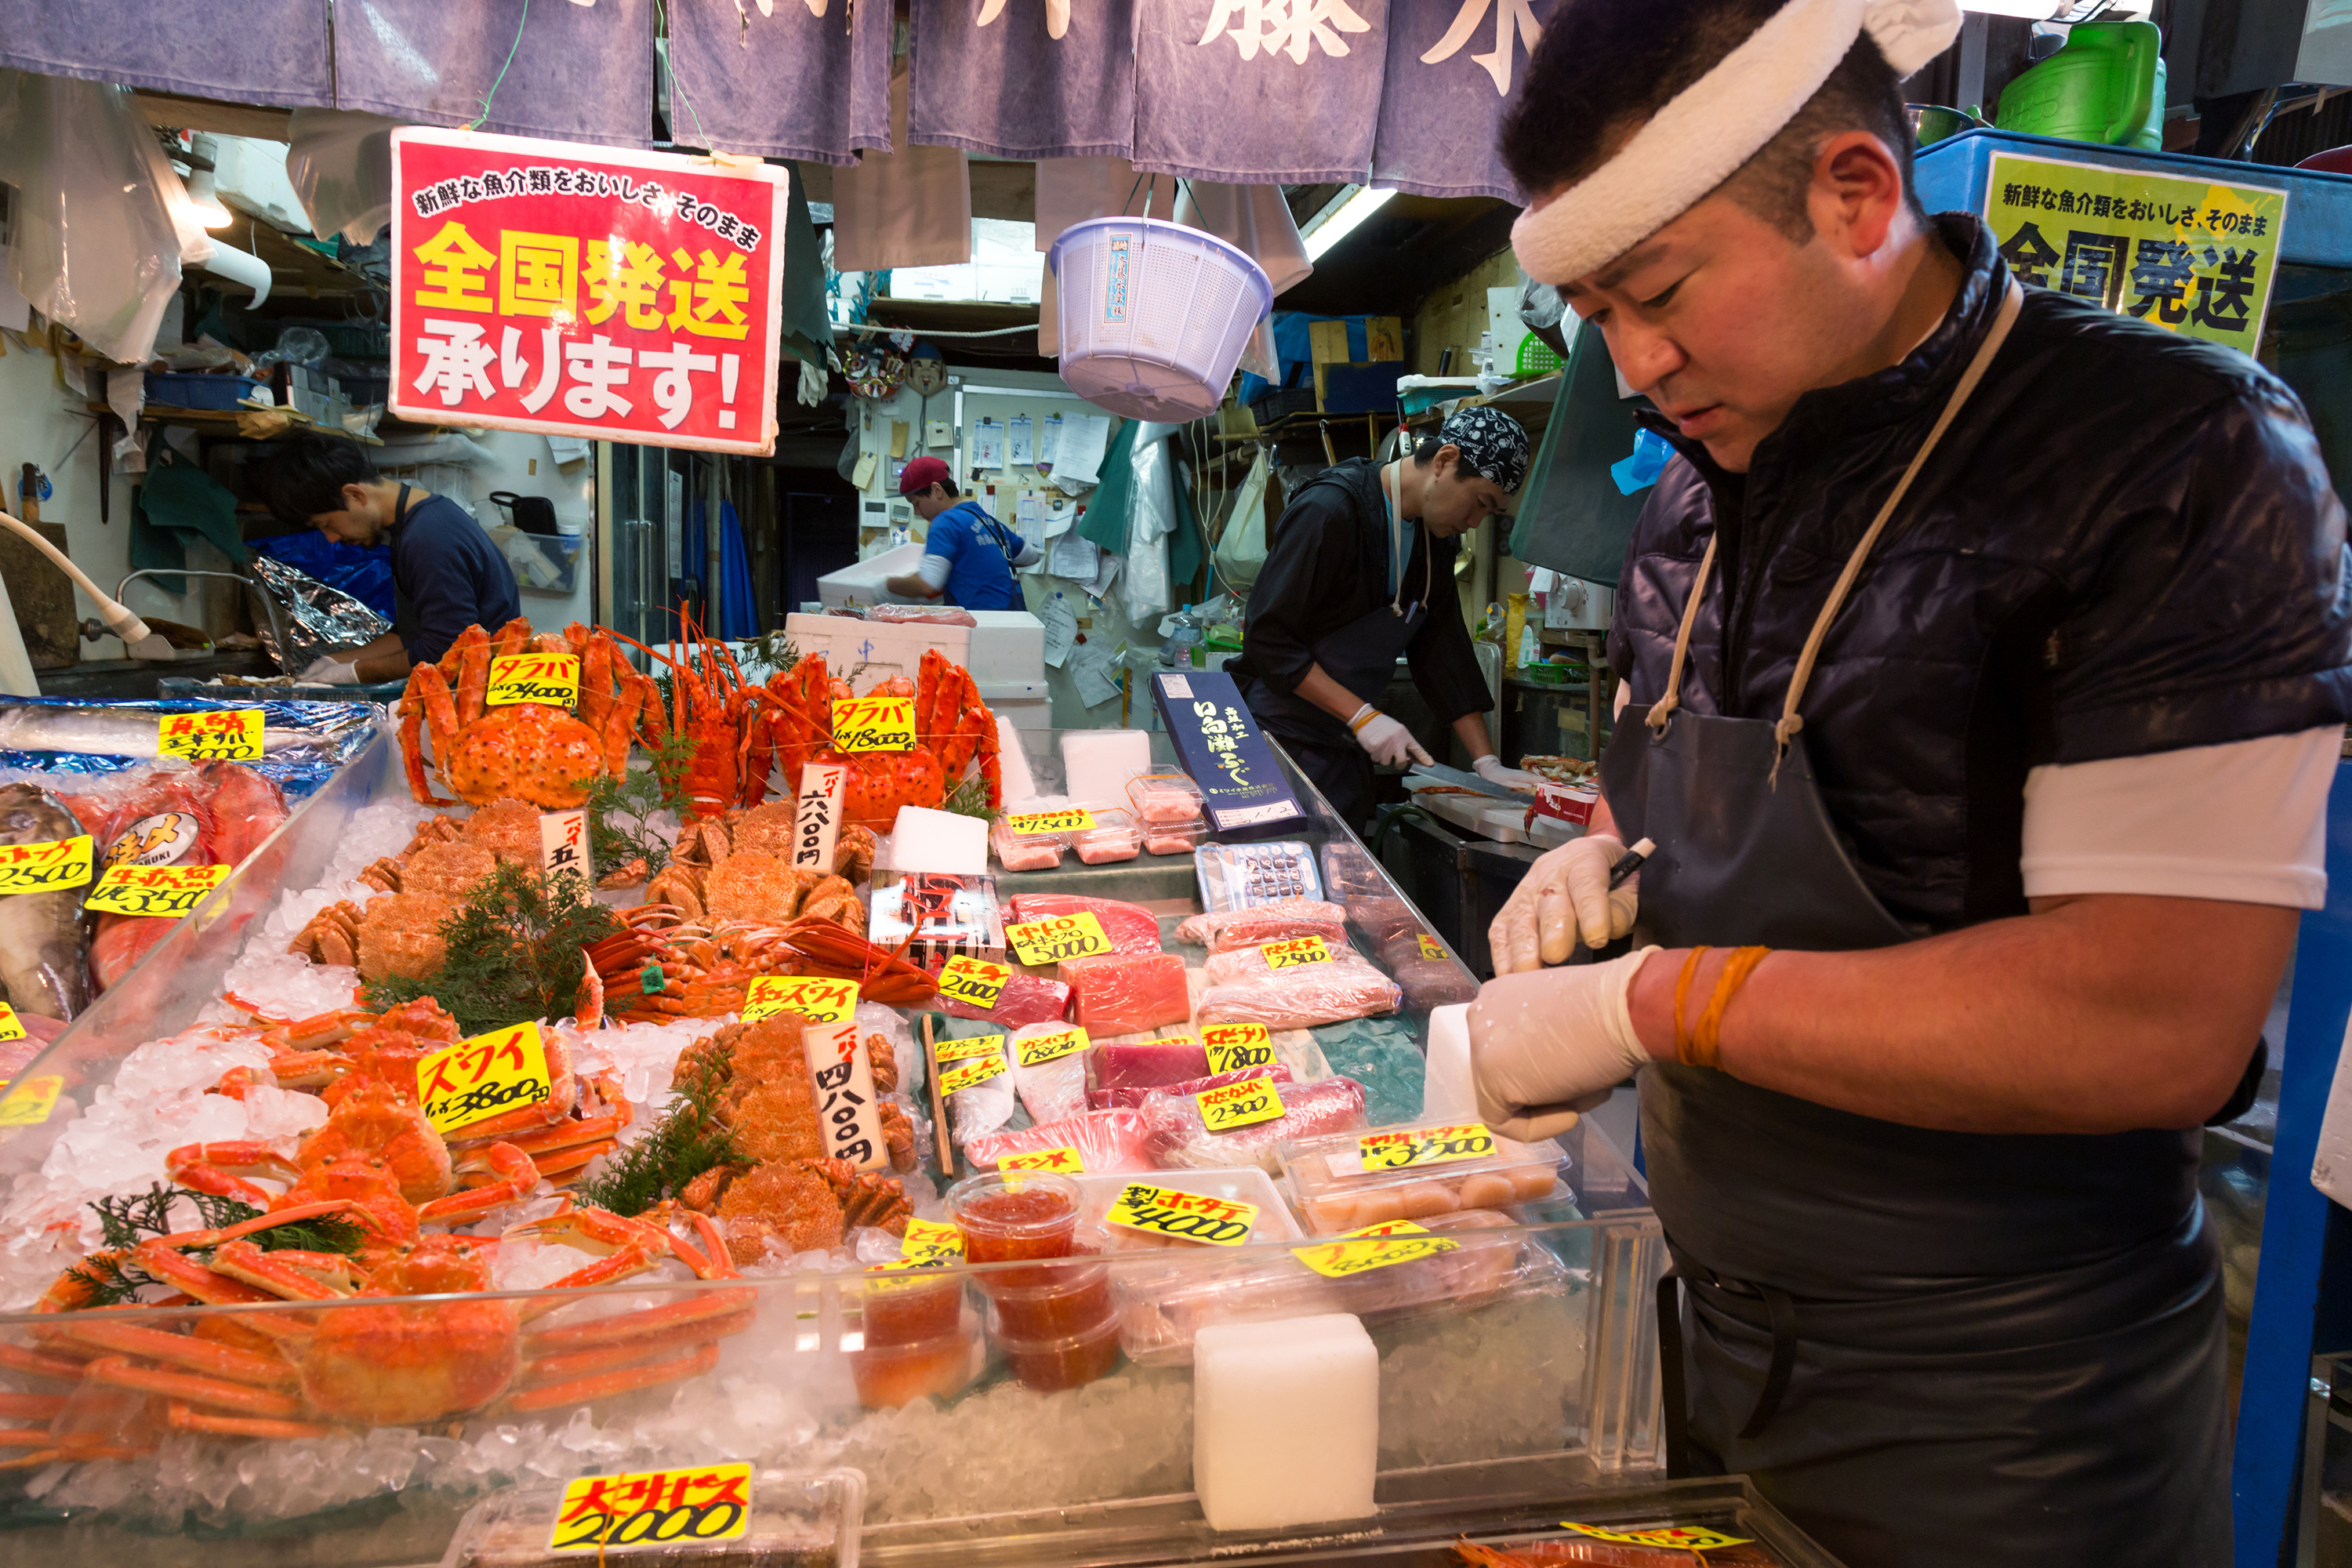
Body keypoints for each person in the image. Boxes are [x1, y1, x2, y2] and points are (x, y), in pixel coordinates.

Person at [1468, 1, 2352, 1563]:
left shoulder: (2177, 454)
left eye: (1662, 293)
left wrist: (1646, 1006)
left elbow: (2151, 1018)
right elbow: (1675, 795)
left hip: (2009, 1419)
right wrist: (1595, 863)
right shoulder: (1691, 493)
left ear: (1859, 195)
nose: (1640, 362)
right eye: (1598, 315)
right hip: (1700, 1320)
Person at [1228, 405, 1540, 830]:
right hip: (1276, 746)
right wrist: (1362, 716)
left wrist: (1487, 763)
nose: (1473, 523)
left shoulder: (1436, 541)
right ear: (1445, 461)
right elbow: (1269, 639)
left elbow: (1441, 650)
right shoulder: (1331, 510)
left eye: (1490, 514)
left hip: (1343, 754)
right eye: (1480, 503)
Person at [258, 432, 521, 684]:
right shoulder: (416, 522)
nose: (331, 538)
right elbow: (413, 634)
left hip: (478, 698)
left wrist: (354, 673)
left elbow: (447, 651)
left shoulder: (428, 537)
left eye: (327, 524)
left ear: (355, 495)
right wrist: (336, 661)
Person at [883, 456, 1039, 611]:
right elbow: (1032, 556)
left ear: (937, 490)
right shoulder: (991, 523)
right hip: (1017, 622)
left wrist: (884, 586)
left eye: (916, 503)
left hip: (982, 625)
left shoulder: (946, 521)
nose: (917, 512)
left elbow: (927, 584)